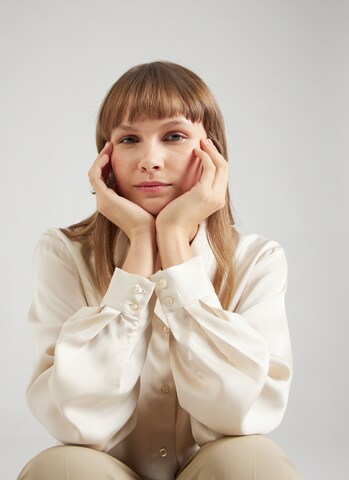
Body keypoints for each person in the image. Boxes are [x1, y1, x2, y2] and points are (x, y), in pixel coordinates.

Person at [18, 61, 302, 480]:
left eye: (174, 136)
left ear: (212, 151)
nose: (150, 160)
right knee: (60, 468)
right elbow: (75, 422)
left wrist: (172, 242)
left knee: (253, 461)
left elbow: (244, 415)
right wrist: (137, 243)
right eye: (129, 139)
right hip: (106, 470)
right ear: (107, 159)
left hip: (209, 470)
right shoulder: (64, 253)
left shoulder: (257, 260)